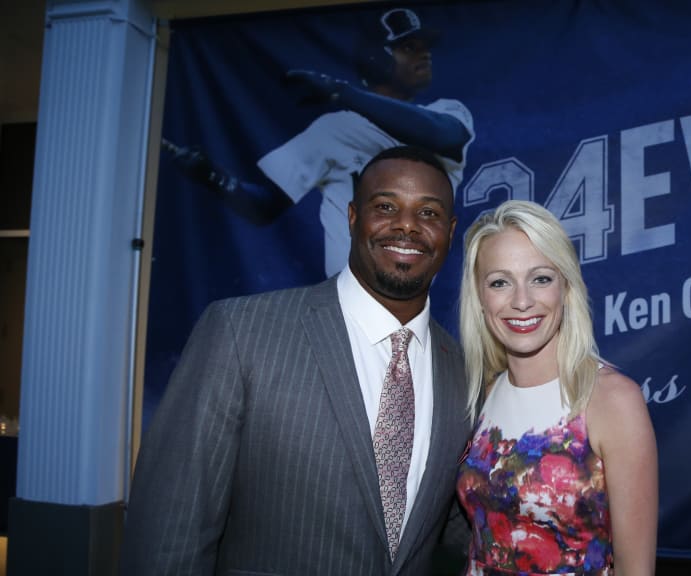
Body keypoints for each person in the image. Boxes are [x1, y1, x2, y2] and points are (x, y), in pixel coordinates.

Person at [124, 145, 472, 575]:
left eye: (428, 213)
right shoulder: (241, 332)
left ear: (450, 232)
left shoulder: (463, 373)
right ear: (352, 217)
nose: (406, 224)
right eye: (385, 206)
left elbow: (459, 525)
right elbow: (169, 532)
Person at [164, 6, 474, 278]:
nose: (424, 54)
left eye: (425, 47)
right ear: (376, 58)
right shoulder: (334, 129)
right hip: (342, 296)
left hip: (414, 292)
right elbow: (264, 206)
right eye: (408, 47)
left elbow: (443, 135)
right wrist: (212, 176)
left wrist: (341, 92)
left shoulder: (446, 112)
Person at [455, 201, 658, 575]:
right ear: (480, 298)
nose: (521, 301)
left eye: (541, 278)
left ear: (566, 287)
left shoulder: (612, 401)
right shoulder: (483, 393)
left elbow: (637, 570)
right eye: (500, 282)